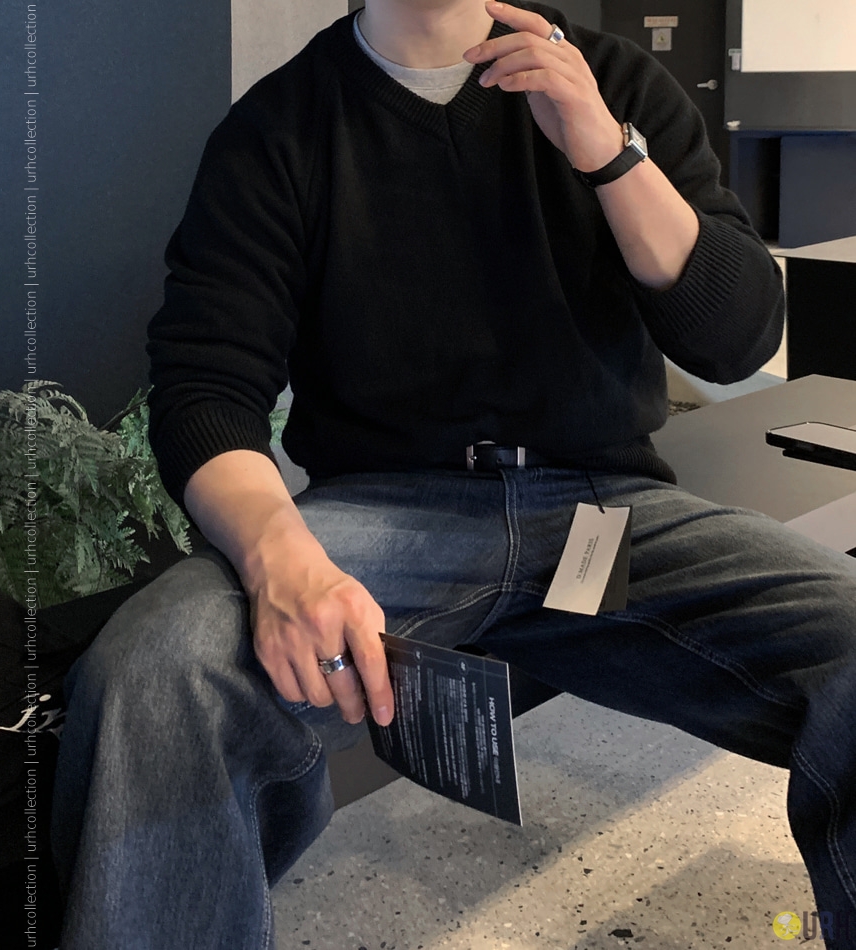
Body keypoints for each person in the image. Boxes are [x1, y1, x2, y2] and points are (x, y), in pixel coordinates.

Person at [50, 1, 856, 947]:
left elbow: (738, 337)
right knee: (161, 668)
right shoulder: (281, 127)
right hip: (385, 521)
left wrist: (608, 153)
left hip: (602, 522)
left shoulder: (614, 82)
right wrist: (279, 559)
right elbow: (205, 388)